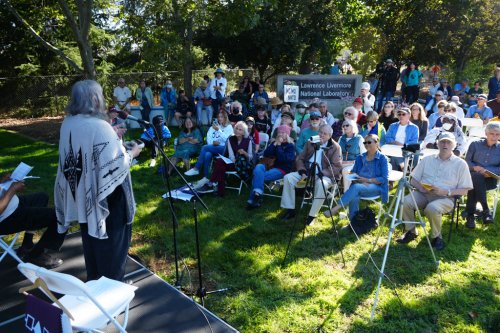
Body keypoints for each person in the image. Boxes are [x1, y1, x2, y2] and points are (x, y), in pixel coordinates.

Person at [55, 80, 142, 281]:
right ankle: (111, 293)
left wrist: (113, 135)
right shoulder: (99, 126)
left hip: (84, 194)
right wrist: (133, 153)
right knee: (112, 252)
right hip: (108, 198)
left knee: (92, 246)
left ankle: (95, 286)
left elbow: (88, 152)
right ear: (95, 99)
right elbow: (117, 163)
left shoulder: (68, 122)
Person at [397, 132, 473, 251]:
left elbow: (465, 190)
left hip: (446, 198)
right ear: (437, 144)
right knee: (406, 201)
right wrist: (421, 188)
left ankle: (437, 237)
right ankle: (410, 231)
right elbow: (413, 179)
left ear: (454, 145)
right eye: (442, 141)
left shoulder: (461, 164)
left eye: (448, 142)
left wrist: (446, 192)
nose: (445, 144)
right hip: (424, 193)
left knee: (432, 208)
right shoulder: (427, 160)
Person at [278, 124, 342, 225]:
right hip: (307, 172)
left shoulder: (335, 147)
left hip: (324, 175)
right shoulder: (311, 141)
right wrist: (302, 172)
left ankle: (312, 215)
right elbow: (300, 158)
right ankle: (290, 210)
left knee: (322, 185)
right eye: (320, 132)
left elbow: (336, 167)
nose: (321, 135)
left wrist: (320, 174)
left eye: (325, 134)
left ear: (330, 136)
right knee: (288, 178)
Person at [0, 177, 65, 268]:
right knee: (59, 216)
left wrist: (3, 183)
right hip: (6, 219)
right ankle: (35, 255)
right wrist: (12, 189)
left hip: (12, 206)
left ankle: (27, 245)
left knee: (41, 197)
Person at [324, 134, 389, 220]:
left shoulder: (382, 158)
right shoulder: (360, 157)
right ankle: (353, 222)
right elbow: (352, 173)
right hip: (359, 185)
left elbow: (384, 179)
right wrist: (356, 179)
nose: (366, 144)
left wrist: (368, 180)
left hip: (376, 187)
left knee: (356, 188)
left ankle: (335, 209)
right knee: (354, 194)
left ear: (377, 143)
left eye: (369, 142)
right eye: (365, 142)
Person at [246, 125, 296, 209]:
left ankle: (253, 199)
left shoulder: (290, 146)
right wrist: (275, 144)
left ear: (287, 134)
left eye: (283, 132)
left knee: (259, 176)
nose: (280, 134)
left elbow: (282, 159)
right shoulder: (275, 143)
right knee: (258, 168)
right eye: (279, 132)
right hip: (269, 166)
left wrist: (279, 146)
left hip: (282, 169)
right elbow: (266, 154)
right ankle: (257, 195)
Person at [202, 121, 253, 196]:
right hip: (233, 163)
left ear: (243, 132)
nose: (237, 131)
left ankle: (211, 183)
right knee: (220, 165)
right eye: (236, 129)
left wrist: (245, 153)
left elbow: (251, 157)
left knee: (220, 164)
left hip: (242, 165)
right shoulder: (231, 139)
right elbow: (231, 155)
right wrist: (233, 160)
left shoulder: (248, 141)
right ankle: (219, 191)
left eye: (240, 130)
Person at [464, 123, 500, 228]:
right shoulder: (475, 144)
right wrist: (475, 168)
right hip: (471, 178)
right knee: (476, 177)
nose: (494, 137)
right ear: (486, 133)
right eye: (491, 134)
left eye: (497, 134)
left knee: (475, 182)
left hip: (490, 179)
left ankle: (470, 216)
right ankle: (485, 210)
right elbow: (467, 162)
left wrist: (488, 171)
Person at [185, 111, 234, 187]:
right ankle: (206, 177)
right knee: (207, 154)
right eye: (219, 117)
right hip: (213, 148)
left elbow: (227, 140)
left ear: (225, 117)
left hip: (224, 149)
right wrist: (213, 144)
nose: (219, 118)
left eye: (221, 117)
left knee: (204, 147)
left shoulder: (229, 127)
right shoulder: (212, 127)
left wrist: (219, 131)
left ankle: (196, 168)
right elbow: (209, 139)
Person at [339, 119, 366, 192]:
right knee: (332, 168)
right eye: (343, 126)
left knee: (346, 171)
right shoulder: (341, 138)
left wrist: (354, 162)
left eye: (347, 125)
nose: (345, 127)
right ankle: (334, 190)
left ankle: (346, 193)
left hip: (355, 164)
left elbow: (364, 155)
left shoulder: (359, 138)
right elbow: (338, 153)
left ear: (353, 126)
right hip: (343, 163)